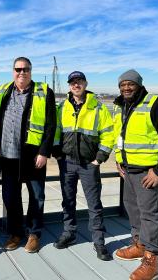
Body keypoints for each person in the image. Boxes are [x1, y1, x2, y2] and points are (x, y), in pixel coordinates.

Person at [113, 69, 158, 280]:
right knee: (132, 210)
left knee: (149, 216)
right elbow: (120, 135)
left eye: (130, 84)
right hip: (128, 170)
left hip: (147, 173)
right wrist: (118, 158)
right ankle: (139, 245)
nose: (126, 87)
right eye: (123, 84)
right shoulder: (120, 105)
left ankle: (151, 260)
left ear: (139, 85)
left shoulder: (156, 104)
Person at [0, 57, 56, 253]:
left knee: (36, 196)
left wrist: (44, 152)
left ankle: (33, 233)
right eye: (18, 69)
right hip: (7, 156)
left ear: (31, 71)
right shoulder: (3, 90)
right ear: (12, 71)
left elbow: (50, 124)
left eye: (26, 69)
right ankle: (16, 233)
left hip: (32, 156)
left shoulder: (44, 91)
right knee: (10, 197)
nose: (22, 73)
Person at [52, 71, 114, 261]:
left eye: (79, 82)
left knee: (94, 204)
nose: (76, 85)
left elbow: (108, 134)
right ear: (69, 86)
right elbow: (56, 131)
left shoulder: (98, 108)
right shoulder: (62, 107)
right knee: (68, 200)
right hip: (67, 162)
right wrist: (58, 153)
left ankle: (99, 241)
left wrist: (99, 158)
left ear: (85, 84)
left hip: (89, 164)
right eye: (72, 82)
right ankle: (69, 233)